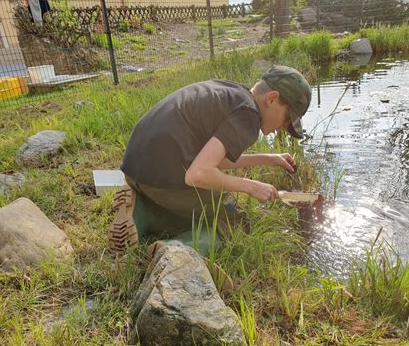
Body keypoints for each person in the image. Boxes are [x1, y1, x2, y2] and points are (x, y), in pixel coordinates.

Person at [108, 65, 312, 256]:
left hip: (136, 170)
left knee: (202, 211)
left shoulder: (233, 94)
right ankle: (174, 252)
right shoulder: (249, 117)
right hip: (162, 179)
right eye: (287, 119)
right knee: (234, 220)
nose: (283, 128)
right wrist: (251, 186)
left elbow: (209, 160)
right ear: (272, 99)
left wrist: (267, 159)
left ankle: (140, 211)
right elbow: (198, 174)